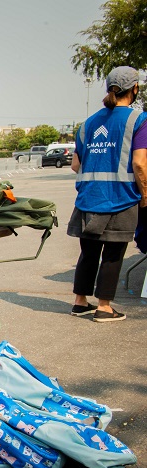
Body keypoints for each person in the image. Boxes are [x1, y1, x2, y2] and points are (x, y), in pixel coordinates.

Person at [68, 66, 147, 323]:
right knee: (113, 254)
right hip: (120, 198)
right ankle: (104, 307)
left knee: (89, 252)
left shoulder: (88, 123)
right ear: (135, 89)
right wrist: (145, 194)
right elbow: (140, 164)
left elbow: (75, 165)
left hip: (89, 199)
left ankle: (80, 302)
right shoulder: (139, 120)